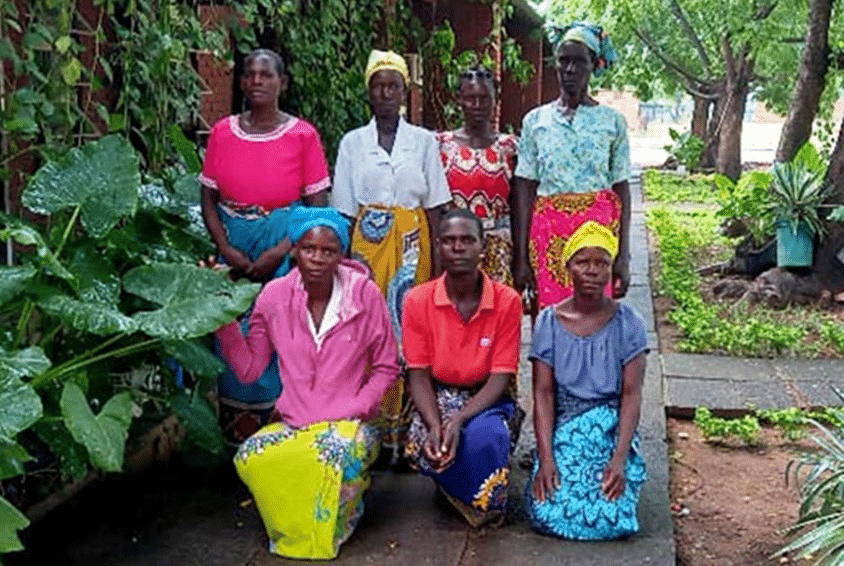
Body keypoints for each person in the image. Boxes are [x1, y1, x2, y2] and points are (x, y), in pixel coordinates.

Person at [215, 207, 400, 559]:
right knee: (251, 459)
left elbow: (387, 367)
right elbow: (251, 369)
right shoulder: (273, 298)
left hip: (349, 425)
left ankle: (340, 517)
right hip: (295, 424)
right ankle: (298, 524)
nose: (317, 258)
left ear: (341, 255)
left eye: (328, 251)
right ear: (295, 251)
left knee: (336, 455)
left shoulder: (364, 295)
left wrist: (357, 407)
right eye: (308, 249)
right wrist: (222, 321)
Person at [199, 48, 331, 443]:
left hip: (285, 247)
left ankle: (281, 439)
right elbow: (208, 199)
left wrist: (279, 252)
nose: (257, 81)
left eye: (266, 75)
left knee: (280, 331)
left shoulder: (303, 135)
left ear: (282, 83)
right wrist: (227, 247)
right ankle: (238, 441)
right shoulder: (223, 132)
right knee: (232, 334)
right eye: (250, 75)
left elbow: (316, 209)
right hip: (232, 245)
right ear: (241, 82)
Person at [331, 49, 452, 449]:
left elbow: (435, 204)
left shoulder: (422, 142)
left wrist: (439, 266)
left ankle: (408, 433)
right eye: (378, 86)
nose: (385, 93)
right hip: (366, 248)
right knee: (369, 331)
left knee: (411, 330)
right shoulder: (353, 143)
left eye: (393, 86)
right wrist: (342, 267)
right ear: (369, 92)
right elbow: (344, 210)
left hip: (413, 247)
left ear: (404, 91)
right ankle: (374, 433)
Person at [525, 220, 647, 540]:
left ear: (610, 270)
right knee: (546, 507)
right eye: (583, 262)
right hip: (565, 425)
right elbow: (543, 394)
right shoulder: (549, 321)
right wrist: (546, 458)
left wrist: (619, 458)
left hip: (610, 428)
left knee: (613, 514)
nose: (592, 271)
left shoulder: (630, 323)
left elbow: (632, 396)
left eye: (601, 263)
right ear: (568, 268)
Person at [402, 209, 524, 527]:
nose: (458, 248)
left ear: (482, 248)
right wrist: (436, 424)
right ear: (438, 247)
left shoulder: (507, 301)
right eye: (450, 241)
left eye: (467, 240)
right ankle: (454, 487)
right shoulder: (418, 300)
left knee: (489, 437)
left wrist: (458, 419)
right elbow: (418, 374)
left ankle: (470, 498)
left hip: (486, 397)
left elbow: (500, 377)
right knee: (429, 444)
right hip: (436, 396)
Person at [512, 22, 631, 310]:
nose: (570, 69)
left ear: (594, 64)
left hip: (598, 235)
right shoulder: (535, 121)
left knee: (596, 317)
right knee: (550, 317)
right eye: (564, 61)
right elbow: (524, 188)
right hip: (548, 234)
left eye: (579, 61)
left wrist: (623, 256)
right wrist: (522, 257)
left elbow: (622, 188)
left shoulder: (612, 121)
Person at [437, 66, 518, 287]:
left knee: (495, 314)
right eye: (470, 98)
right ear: (459, 100)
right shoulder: (441, 146)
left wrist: (520, 258)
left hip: (498, 248)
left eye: (484, 98)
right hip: (456, 250)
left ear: (496, 100)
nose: (477, 105)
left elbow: (519, 206)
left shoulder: (510, 147)